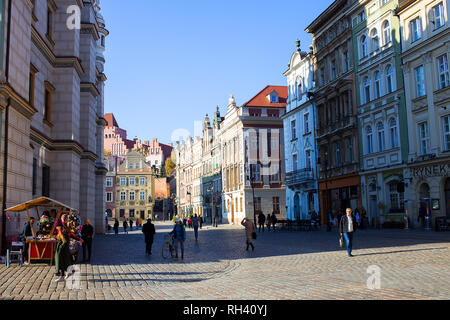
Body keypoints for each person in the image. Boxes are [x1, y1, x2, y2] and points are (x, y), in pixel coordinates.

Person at [55, 214, 83, 282]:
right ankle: (67, 273)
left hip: (63, 247)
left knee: (63, 261)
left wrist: (78, 239)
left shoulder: (64, 227)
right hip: (63, 247)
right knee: (65, 261)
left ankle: (64, 275)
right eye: (67, 218)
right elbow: (67, 236)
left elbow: (68, 236)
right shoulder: (62, 226)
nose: (68, 220)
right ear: (65, 219)